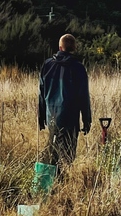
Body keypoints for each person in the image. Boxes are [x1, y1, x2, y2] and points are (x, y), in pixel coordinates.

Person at [38, 33, 92, 170]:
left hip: (51, 116)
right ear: (74, 48)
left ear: (59, 47)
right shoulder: (78, 68)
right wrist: (87, 120)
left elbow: (41, 93)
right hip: (70, 117)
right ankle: (64, 181)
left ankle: (51, 180)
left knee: (52, 152)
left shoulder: (47, 65)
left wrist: (41, 117)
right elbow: (83, 96)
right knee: (68, 155)